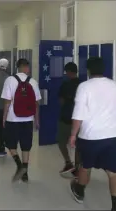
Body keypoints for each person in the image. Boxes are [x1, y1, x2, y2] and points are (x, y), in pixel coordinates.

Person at [69, 57, 116, 211]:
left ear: (88, 70)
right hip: (111, 136)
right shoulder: (113, 85)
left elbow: (78, 115)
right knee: (112, 172)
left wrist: (73, 135)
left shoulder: (84, 87)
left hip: (90, 137)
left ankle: (80, 192)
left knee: (85, 166)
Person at [1, 58, 41, 182]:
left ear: (17, 67)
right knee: (26, 146)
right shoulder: (33, 82)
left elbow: (7, 101)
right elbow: (36, 104)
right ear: (27, 68)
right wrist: (36, 120)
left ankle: (19, 166)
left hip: (12, 118)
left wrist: (4, 117)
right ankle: (25, 173)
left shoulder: (10, 80)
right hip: (28, 119)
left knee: (10, 144)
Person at [57, 62, 81, 178]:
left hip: (66, 118)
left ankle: (68, 163)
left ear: (69, 72)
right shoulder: (82, 85)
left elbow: (61, 101)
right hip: (80, 119)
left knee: (61, 142)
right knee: (78, 145)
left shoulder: (65, 85)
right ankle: (77, 168)